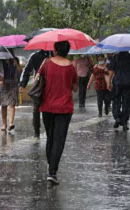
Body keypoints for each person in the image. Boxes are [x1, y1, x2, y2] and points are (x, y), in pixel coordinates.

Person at [39, 41, 78, 185]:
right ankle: (52, 172)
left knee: (50, 137)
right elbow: (75, 88)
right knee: (59, 140)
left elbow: (38, 79)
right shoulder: (71, 66)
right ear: (67, 51)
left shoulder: (46, 63)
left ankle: (51, 168)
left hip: (47, 106)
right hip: (64, 108)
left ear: (55, 50)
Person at [19, 50, 50, 139]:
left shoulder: (55, 55)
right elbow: (27, 70)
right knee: (36, 109)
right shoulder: (35, 56)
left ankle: (49, 129)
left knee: (49, 110)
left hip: (52, 87)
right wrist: (22, 84)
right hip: (39, 87)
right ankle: (37, 130)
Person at [108, 51, 130, 131]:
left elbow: (111, 70)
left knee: (116, 100)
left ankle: (117, 117)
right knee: (127, 102)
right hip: (129, 82)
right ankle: (124, 122)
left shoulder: (115, 57)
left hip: (117, 82)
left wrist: (109, 81)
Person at [0, 57, 21, 132]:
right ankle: (4, 124)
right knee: (4, 105)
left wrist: (17, 64)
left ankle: (11, 123)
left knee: (12, 104)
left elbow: (19, 72)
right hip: (4, 85)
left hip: (13, 85)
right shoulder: (1, 62)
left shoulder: (15, 60)